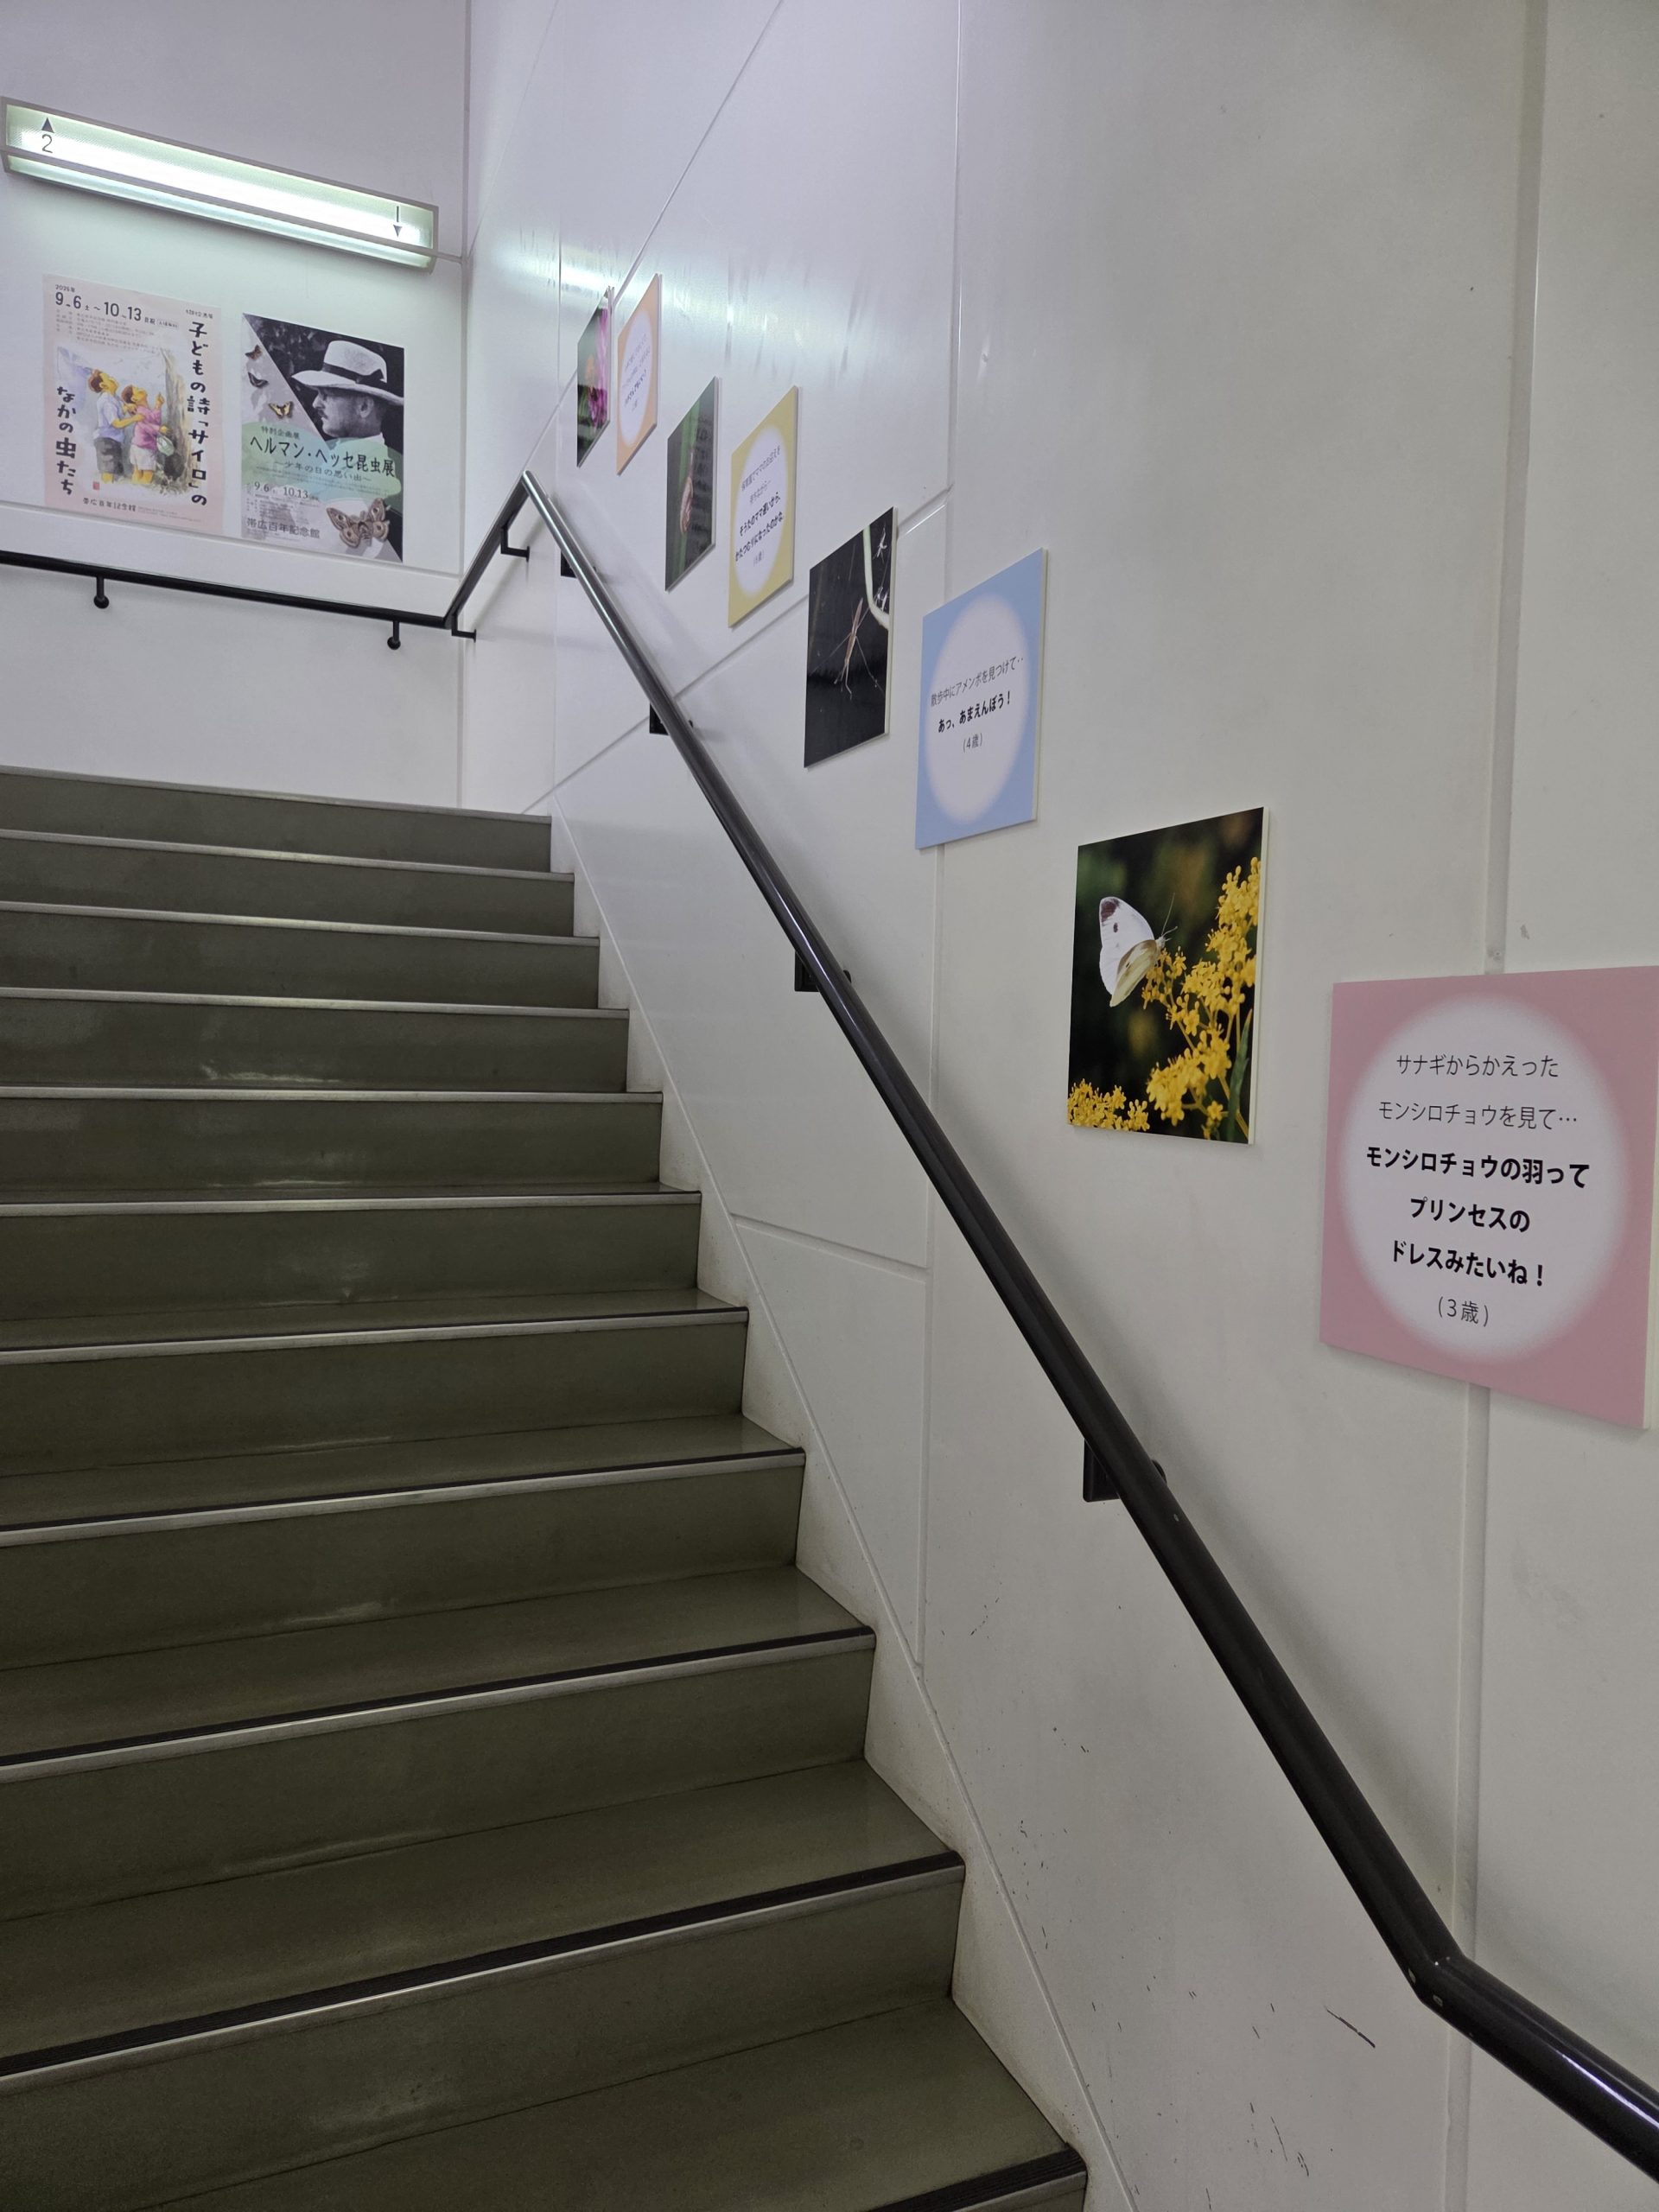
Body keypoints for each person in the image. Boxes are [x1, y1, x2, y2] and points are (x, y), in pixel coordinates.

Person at [88, 369, 124, 481]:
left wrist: (126, 409)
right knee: (108, 472)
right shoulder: (107, 401)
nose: (112, 379)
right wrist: (135, 418)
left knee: (114, 472)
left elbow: (117, 413)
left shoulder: (113, 398)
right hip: (107, 441)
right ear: (103, 385)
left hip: (111, 440)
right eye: (108, 378)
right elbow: (116, 423)